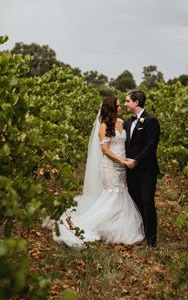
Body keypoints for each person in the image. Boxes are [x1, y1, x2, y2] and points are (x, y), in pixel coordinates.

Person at [50, 96, 144, 249]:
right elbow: (105, 150)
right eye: (118, 106)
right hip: (110, 166)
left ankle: (117, 228)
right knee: (112, 194)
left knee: (120, 193)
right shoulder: (104, 126)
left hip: (121, 167)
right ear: (111, 108)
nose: (120, 108)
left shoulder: (121, 123)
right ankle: (92, 224)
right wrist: (120, 160)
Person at [124, 89, 160, 247]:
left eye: (127, 101)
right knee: (135, 202)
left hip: (147, 170)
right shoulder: (127, 122)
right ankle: (140, 232)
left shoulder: (151, 121)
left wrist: (136, 161)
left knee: (147, 201)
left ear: (136, 102)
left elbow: (151, 146)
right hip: (131, 171)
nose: (125, 104)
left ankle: (152, 240)